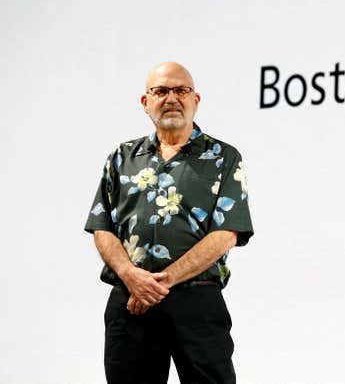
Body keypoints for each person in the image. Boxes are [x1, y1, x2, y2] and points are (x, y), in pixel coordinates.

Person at [84, 62, 254, 384]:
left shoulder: (223, 157)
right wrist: (131, 276)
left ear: (196, 100)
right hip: (130, 301)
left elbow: (226, 232)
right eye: (160, 91)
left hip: (196, 300)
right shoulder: (122, 157)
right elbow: (102, 225)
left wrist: (157, 284)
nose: (172, 98)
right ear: (145, 102)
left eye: (181, 90)